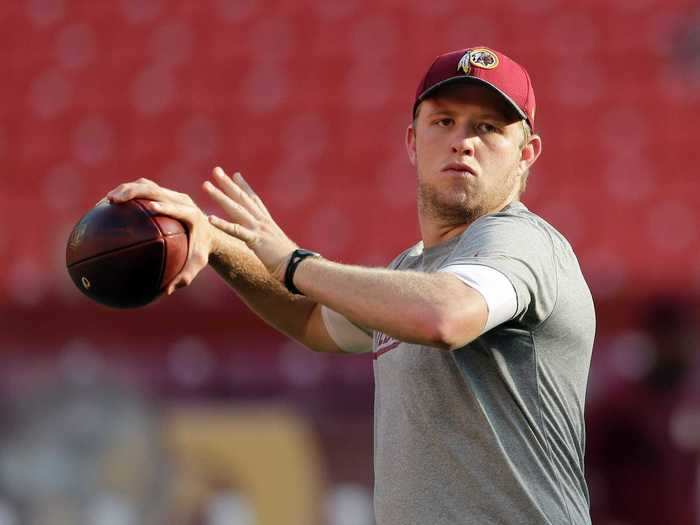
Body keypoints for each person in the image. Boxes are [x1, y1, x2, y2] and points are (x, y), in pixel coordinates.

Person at [107, 47, 595, 524]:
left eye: (487, 128)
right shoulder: (414, 270)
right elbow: (312, 318)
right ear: (412, 140)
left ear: (527, 154)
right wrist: (215, 242)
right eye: (443, 121)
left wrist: (295, 262)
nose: (463, 140)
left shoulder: (520, 241)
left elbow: (444, 317)